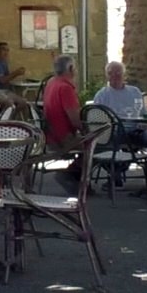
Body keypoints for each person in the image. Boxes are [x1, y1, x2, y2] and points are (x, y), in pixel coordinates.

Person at [92, 61, 147, 188]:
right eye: (111, 73)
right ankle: (116, 172)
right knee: (104, 141)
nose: (115, 76)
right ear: (107, 76)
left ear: (124, 75)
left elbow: (144, 114)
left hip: (135, 130)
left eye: (118, 73)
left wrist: (146, 124)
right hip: (115, 132)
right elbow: (97, 118)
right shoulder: (103, 95)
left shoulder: (134, 91)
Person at [41, 55, 86, 191]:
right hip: (63, 139)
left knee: (92, 140)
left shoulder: (51, 83)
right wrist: (89, 129)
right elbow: (75, 120)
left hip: (50, 135)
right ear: (71, 68)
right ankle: (70, 175)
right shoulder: (66, 88)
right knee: (97, 144)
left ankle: (74, 177)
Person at [0, 41, 30, 119]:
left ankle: (13, 119)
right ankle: (4, 122)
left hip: (5, 91)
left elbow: (7, 80)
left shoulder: (4, 64)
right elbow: (3, 80)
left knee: (23, 102)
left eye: (7, 50)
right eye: (3, 49)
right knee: (9, 103)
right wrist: (16, 73)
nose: (6, 52)